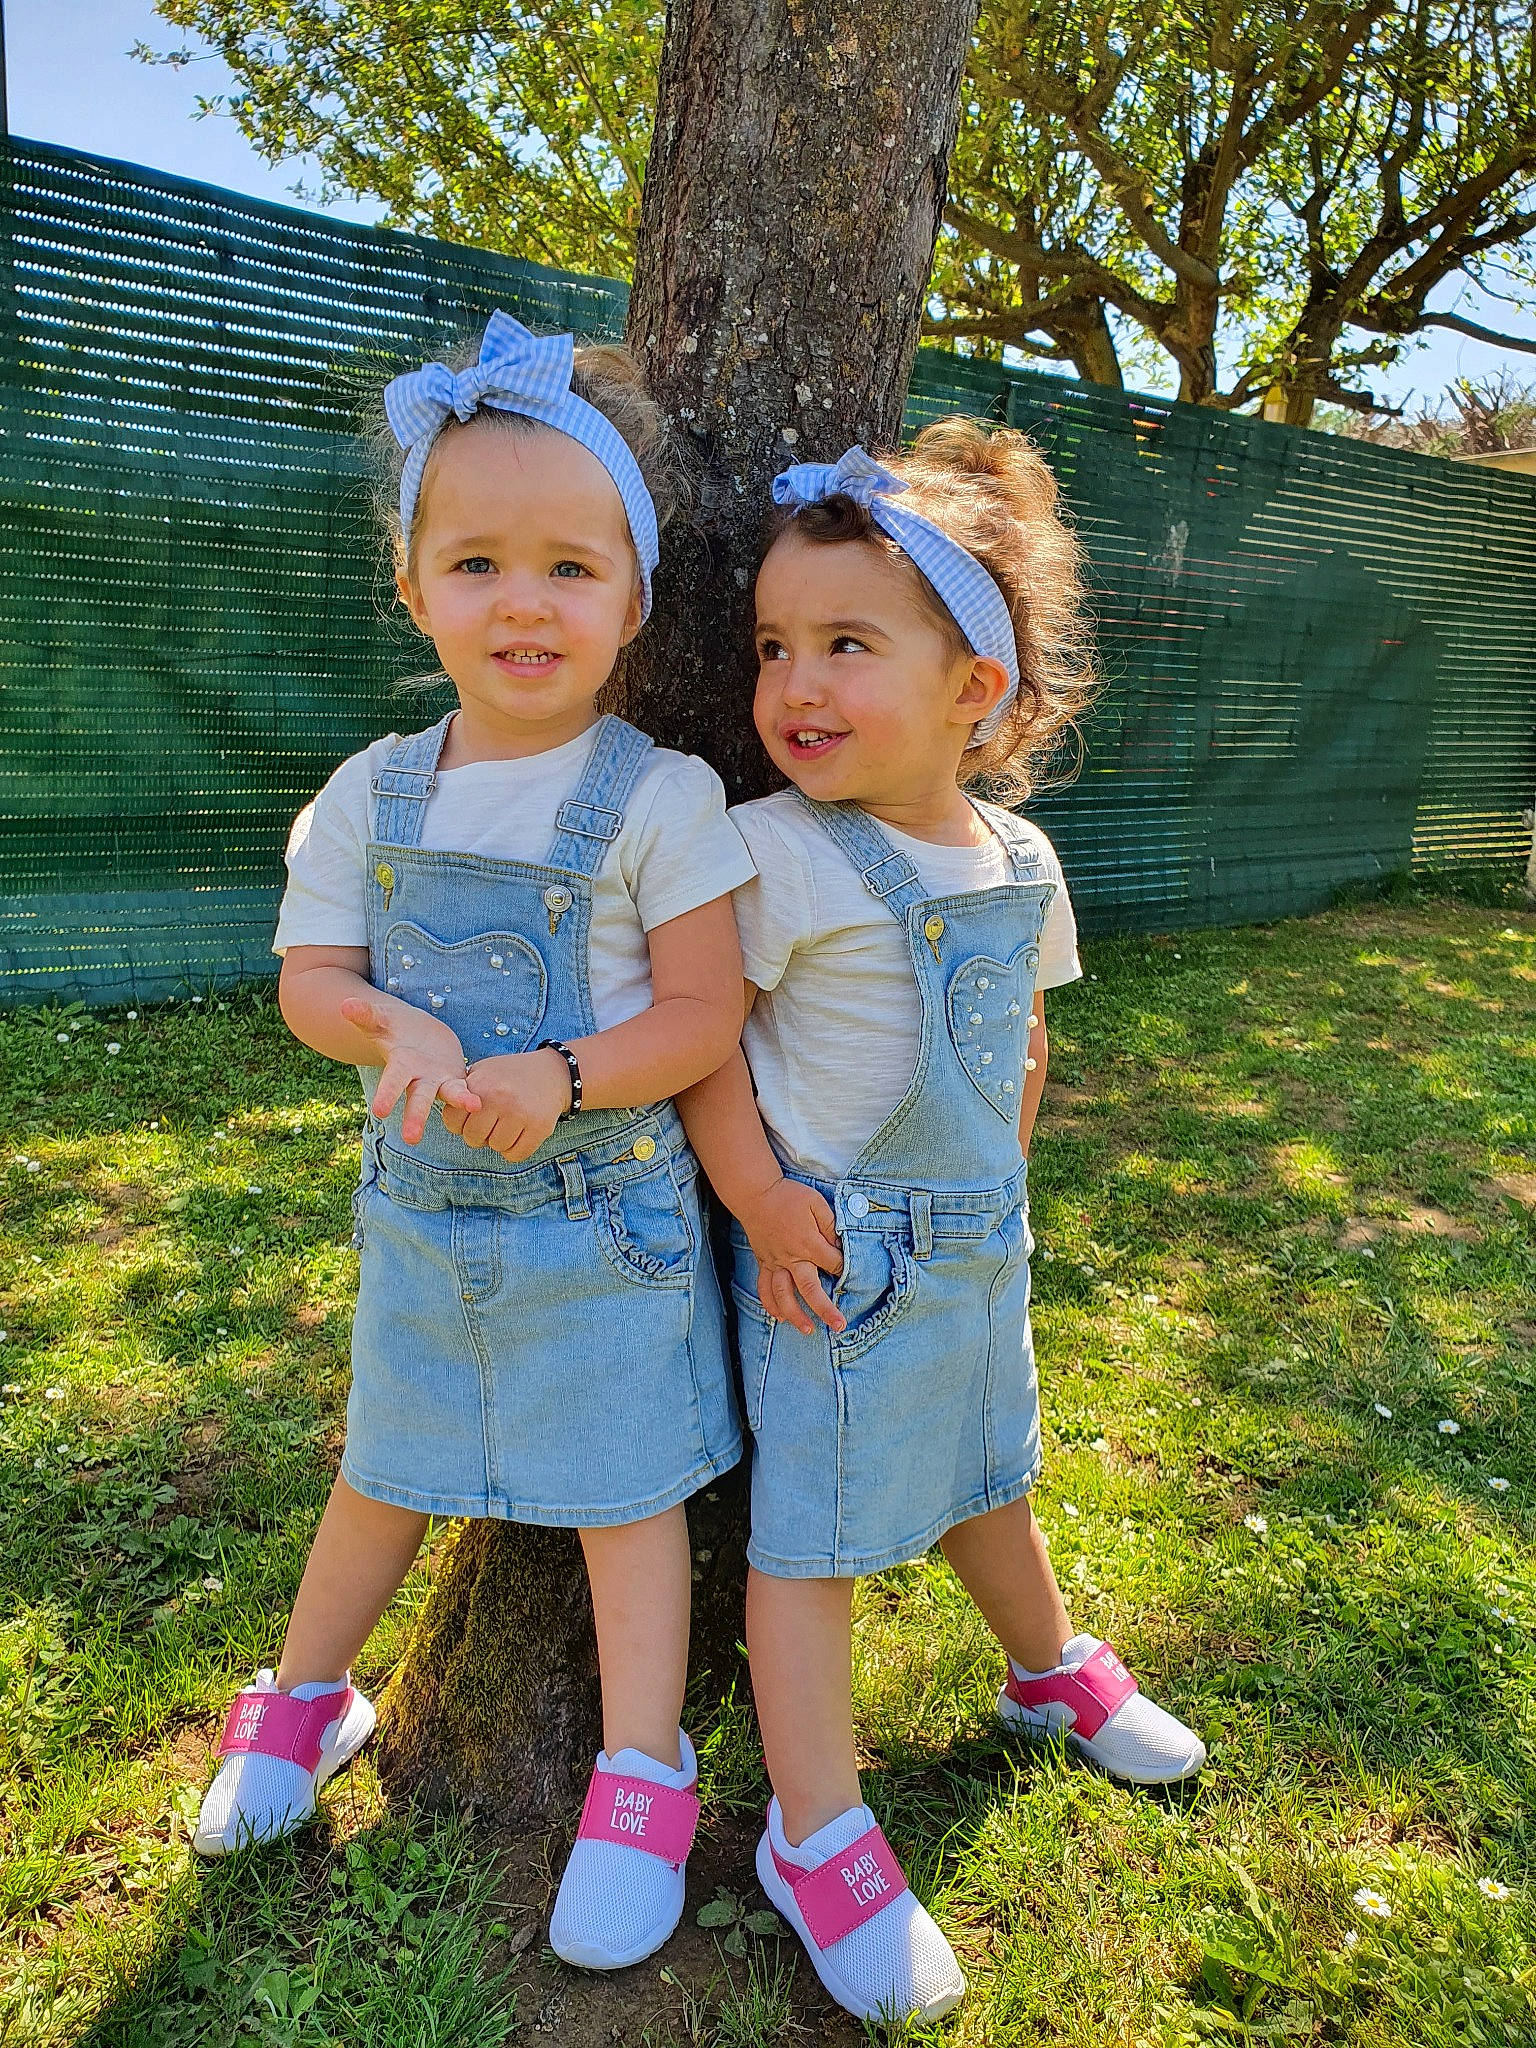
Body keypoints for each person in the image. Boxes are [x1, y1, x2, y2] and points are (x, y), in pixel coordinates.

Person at [193, 313, 754, 1976]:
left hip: (607, 1232)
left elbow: (705, 1015)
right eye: (481, 562)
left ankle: (643, 1771)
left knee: (625, 1498)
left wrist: (569, 1073)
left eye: (573, 568)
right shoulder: (370, 796)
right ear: (416, 584)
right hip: (429, 1225)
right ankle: (306, 1704)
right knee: (383, 1465)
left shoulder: (661, 800)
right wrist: (400, 1030)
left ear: (635, 600)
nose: (527, 601)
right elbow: (312, 981)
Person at [680, 429, 1206, 2023]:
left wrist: (1005, 1186)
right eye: (777, 646)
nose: (796, 684)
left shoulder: (1021, 858)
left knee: (993, 1466)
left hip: (981, 1245)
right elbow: (704, 1040)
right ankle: (816, 1829)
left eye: (849, 644)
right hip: (839, 1262)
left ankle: (1045, 1666)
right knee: (817, 1539)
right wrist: (761, 1195)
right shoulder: (771, 847)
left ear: (976, 686)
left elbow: (1024, 1044)